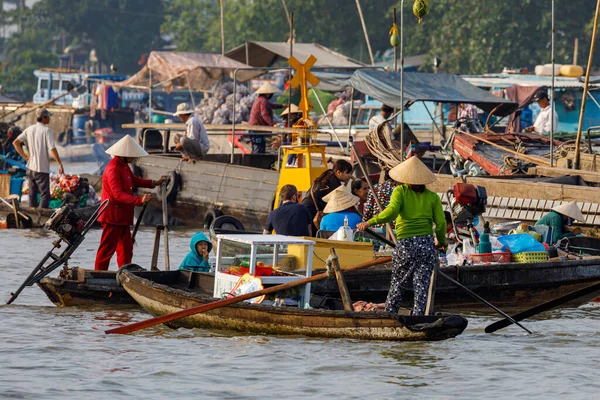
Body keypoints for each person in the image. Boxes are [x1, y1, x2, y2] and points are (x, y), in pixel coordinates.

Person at [357, 157, 446, 316]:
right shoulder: (432, 197)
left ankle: (390, 316)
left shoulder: (400, 191)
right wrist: (441, 242)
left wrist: (369, 222)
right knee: (421, 287)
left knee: (398, 284)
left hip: (406, 244)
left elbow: (391, 212)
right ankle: (419, 317)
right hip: (426, 245)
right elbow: (440, 224)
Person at [94, 135, 168, 270]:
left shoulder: (124, 166)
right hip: (113, 216)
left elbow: (134, 180)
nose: (134, 158)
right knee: (106, 251)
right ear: (124, 155)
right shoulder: (113, 169)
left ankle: (125, 274)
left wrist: (154, 182)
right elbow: (117, 194)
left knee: (126, 249)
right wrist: (139, 200)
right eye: (132, 155)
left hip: (123, 216)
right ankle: (98, 275)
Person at [12, 108, 64, 209]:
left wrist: (25, 157)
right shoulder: (46, 130)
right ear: (43, 118)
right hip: (41, 168)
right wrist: (59, 164)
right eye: (48, 116)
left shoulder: (29, 129)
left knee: (32, 193)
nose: (49, 119)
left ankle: (33, 214)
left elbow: (15, 143)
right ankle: (41, 216)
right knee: (45, 195)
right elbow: (52, 148)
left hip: (30, 168)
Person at [301, 159, 353, 235]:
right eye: (347, 173)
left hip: (305, 206)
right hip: (312, 211)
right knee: (313, 235)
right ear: (338, 172)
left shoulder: (327, 177)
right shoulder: (334, 184)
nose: (349, 176)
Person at [248, 82, 284, 154]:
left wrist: (282, 106)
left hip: (254, 128)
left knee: (257, 148)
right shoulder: (263, 101)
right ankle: (256, 164)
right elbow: (265, 115)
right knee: (258, 150)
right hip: (257, 129)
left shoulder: (261, 99)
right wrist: (273, 124)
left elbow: (271, 105)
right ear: (268, 93)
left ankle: (256, 162)